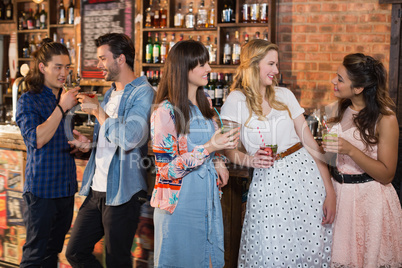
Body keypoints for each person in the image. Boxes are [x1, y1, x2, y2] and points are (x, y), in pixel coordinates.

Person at [220, 39, 336, 267]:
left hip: (306, 177)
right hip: (268, 183)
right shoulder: (236, 100)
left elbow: (311, 145)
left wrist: (330, 191)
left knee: (311, 249)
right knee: (270, 252)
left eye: (277, 64)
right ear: (253, 65)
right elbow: (229, 150)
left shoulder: (284, 95)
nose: (276, 70)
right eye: (271, 64)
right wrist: (251, 160)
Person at [65, 33, 154, 267]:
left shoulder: (143, 92)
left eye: (103, 59)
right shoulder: (109, 94)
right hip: (96, 189)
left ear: (121, 59)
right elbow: (110, 138)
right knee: (75, 252)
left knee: (117, 261)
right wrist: (91, 144)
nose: (98, 65)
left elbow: (130, 138)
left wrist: (97, 112)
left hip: (123, 191)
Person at [150, 40, 240, 268]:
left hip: (207, 200)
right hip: (179, 205)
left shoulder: (205, 103)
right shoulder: (164, 112)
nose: (209, 69)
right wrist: (210, 148)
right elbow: (166, 171)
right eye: (201, 64)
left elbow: (213, 143)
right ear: (183, 68)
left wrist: (218, 159)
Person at [322, 53, 402, 268]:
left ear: (358, 88)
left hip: (370, 202)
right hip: (340, 198)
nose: (333, 81)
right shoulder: (336, 109)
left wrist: (351, 150)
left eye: (340, 79)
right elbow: (331, 161)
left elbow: (387, 174)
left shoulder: (386, 119)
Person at [16, 39, 80, 267]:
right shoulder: (28, 100)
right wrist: (62, 108)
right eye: (58, 67)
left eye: (67, 67)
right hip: (42, 191)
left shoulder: (63, 98)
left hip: (65, 188)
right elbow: (37, 139)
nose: (64, 73)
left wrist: (78, 142)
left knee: (52, 253)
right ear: (42, 67)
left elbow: (60, 136)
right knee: (35, 256)